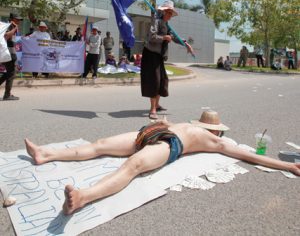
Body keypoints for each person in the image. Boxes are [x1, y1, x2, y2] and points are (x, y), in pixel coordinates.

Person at [24, 110, 300, 216]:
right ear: (216, 128)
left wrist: (287, 165)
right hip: (149, 133)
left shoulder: (215, 141)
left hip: (166, 145)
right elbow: (164, 123)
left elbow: (250, 156)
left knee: (131, 167)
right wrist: (163, 122)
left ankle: (84, 197)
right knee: (98, 146)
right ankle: (45, 154)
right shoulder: (202, 131)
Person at [141, 0, 194, 120]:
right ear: (163, 12)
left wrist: (186, 44)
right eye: (169, 12)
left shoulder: (166, 25)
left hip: (159, 56)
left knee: (162, 80)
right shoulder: (156, 21)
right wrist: (164, 37)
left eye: (171, 13)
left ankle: (157, 104)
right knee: (154, 81)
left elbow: (174, 37)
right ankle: (152, 109)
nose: (170, 15)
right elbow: (152, 37)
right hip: (150, 54)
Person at [0, 13, 23, 100]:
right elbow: (6, 36)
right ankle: (7, 95)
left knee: (9, 72)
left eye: (19, 20)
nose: (19, 21)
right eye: (17, 19)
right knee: (11, 73)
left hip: (8, 51)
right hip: (8, 52)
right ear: (12, 19)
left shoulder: (10, 25)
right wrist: (15, 29)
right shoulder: (10, 26)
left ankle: (7, 94)